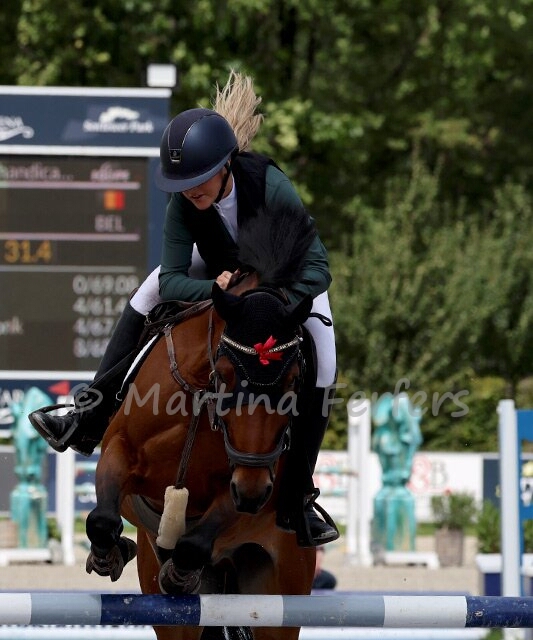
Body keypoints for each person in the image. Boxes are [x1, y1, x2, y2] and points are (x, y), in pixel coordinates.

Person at [29, 71, 338, 547]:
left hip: (286, 280)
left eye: (197, 179)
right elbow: (173, 278)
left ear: (226, 166)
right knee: (148, 290)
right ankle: (88, 411)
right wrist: (214, 290)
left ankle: (299, 493)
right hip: (219, 271)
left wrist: (269, 305)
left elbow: (318, 268)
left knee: (326, 360)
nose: (190, 190)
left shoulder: (269, 185)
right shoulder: (184, 204)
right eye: (181, 182)